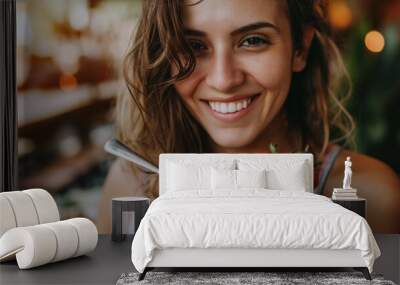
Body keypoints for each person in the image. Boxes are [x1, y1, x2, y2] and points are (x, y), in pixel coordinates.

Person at [97, 0, 400, 234]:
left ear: (300, 49)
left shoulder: (370, 196)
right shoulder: (130, 189)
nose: (224, 80)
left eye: (252, 40)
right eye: (193, 46)